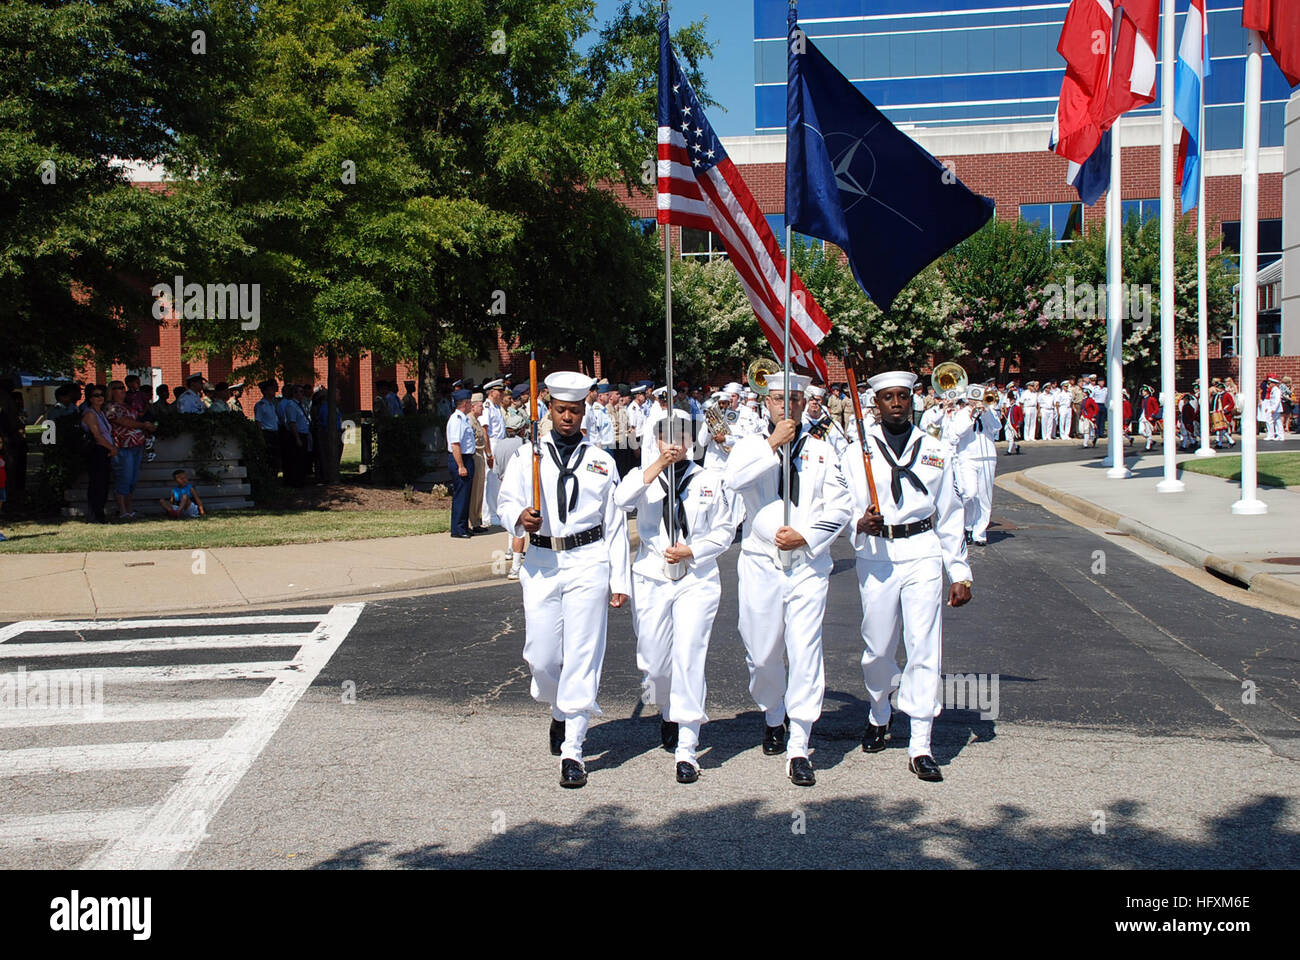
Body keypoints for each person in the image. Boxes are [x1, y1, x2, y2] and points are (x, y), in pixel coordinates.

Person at [497, 371, 631, 789]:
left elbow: (615, 524)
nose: (568, 417)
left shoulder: (602, 460)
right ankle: (560, 708)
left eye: (575, 410)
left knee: (582, 652)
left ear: (584, 411)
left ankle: (574, 746)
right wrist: (519, 517)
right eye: (561, 410)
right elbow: (505, 501)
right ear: (549, 410)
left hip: (588, 560)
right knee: (541, 655)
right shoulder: (528, 456)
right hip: (540, 559)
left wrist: (620, 579)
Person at [723, 372, 853, 787]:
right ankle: (772, 712)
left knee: (804, 650)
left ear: (804, 404)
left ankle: (799, 742)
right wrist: (772, 444)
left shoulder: (823, 449)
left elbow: (841, 504)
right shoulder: (749, 446)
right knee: (763, 654)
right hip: (761, 564)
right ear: (767, 402)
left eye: (794, 400)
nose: (787, 406)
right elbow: (733, 480)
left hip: (807, 565)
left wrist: (808, 535)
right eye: (779, 399)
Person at [841, 371, 972, 783]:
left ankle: (920, 742)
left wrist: (961, 571)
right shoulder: (856, 452)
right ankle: (880, 710)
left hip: (922, 551)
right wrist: (858, 523)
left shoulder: (935, 449)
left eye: (903, 396)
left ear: (913, 399)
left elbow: (949, 512)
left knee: (923, 647)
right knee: (878, 648)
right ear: (876, 405)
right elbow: (839, 505)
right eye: (887, 398)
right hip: (878, 555)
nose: (896, 403)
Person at [615, 410, 743, 782]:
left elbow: (725, 530)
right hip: (653, 576)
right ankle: (669, 709)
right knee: (654, 662)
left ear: (693, 440)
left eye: (682, 436)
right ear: (655, 440)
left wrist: (694, 551)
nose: (675, 443)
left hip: (696, 578)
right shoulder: (645, 478)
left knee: (689, 655)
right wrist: (657, 464)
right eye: (667, 436)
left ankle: (688, 745)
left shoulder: (710, 479)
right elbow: (621, 501)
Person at [104, 380, 154, 520]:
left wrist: (148, 425)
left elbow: (138, 416)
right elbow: (123, 422)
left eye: (123, 388)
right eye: (118, 388)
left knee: (132, 478)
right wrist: (143, 425)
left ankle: (130, 509)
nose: (122, 390)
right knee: (124, 477)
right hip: (122, 446)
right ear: (111, 391)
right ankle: (123, 510)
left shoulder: (127, 406)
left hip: (137, 444)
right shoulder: (110, 407)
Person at [80, 387, 117, 524]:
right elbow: (97, 435)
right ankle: (94, 515)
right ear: (90, 398)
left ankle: (100, 513)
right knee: (97, 483)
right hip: (96, 451)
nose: (99, 398)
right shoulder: (90, 414)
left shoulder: (100, 412)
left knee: (104, 483)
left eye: (101, 395)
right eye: (96, 395)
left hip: (105, 450)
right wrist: (111, 447)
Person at [254, 380, 283, 478]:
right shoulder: (261, 405)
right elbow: (258, 422)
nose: (274, 391)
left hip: (275, 433)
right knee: (269, 458)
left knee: (276, 458)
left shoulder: (273, 404)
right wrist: (261, 437)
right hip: (267, 433)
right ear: (265, 391)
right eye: (271, 389)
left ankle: (274, 477)